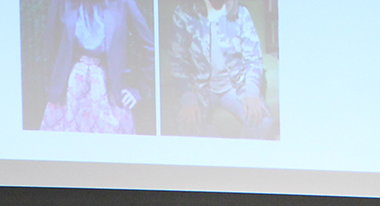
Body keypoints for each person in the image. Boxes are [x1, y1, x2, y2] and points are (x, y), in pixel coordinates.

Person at [35, 0, 154, 135]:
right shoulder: (62, 2)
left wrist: (139, 90)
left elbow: (148, 46)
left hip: (109, 91)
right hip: (70, 94)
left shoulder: (123, 2)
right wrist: (54, 85)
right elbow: (50, 46)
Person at [165, 0, 275, 138]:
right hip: (200, 87)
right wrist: (188, 98)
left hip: (235, 86)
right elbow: (178, 60)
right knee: (187, 124)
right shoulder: (183, 13)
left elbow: (253, 57)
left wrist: (252, 93)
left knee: (263, 120)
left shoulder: (241, 13)